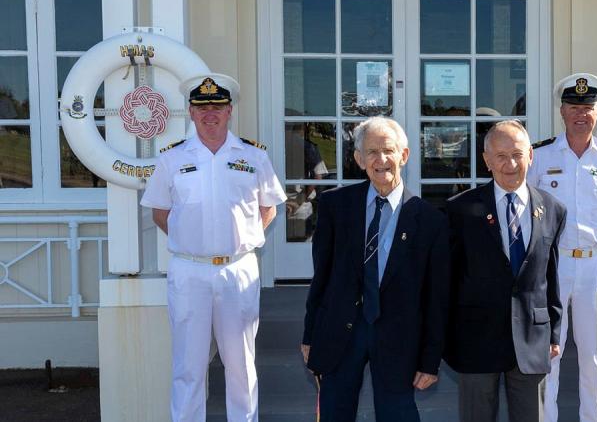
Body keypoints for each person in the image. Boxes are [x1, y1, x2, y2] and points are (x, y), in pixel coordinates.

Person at [140, 74, 287, 422]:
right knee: (188, 366)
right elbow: (161, 212)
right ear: (190, 112)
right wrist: (194, 240)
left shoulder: (253, 155)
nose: (210, 113)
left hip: (238, 270)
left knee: (241, 365)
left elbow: (269, 208)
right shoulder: (171, 159)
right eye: (202, 107)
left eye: (217, 106)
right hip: (189, 271)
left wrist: (241, 239)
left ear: (229, 111)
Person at [301, 116, 450, 422]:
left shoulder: (430, 221)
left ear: (404, 156)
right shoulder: (334, 206)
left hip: (399, 339)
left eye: (389, 151)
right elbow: (322, 277)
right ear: (359, 159)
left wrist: (430, 359)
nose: (381, 160)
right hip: (341, 331)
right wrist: (310, 334)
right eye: (371, 152)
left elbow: (436, 299)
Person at [445, 120, 566, 422]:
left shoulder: (552, 209)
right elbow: (447, 281)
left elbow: (549, 277)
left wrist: (552, 331)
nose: (510, 164)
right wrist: (444, 336)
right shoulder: (459, 210)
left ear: (531, 156)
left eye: (517, 154)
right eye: (500, 156)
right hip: (476, 338)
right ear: (486, 160)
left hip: (530, 339)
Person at [528, 73, 597, 422]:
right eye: (574, 106)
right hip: (552, 266)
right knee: (549, 354)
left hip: (594, 267)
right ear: (562, 111)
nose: (581, 114)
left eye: (587, 108)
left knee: (593, 355)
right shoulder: (540, 156)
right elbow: (526, 204)